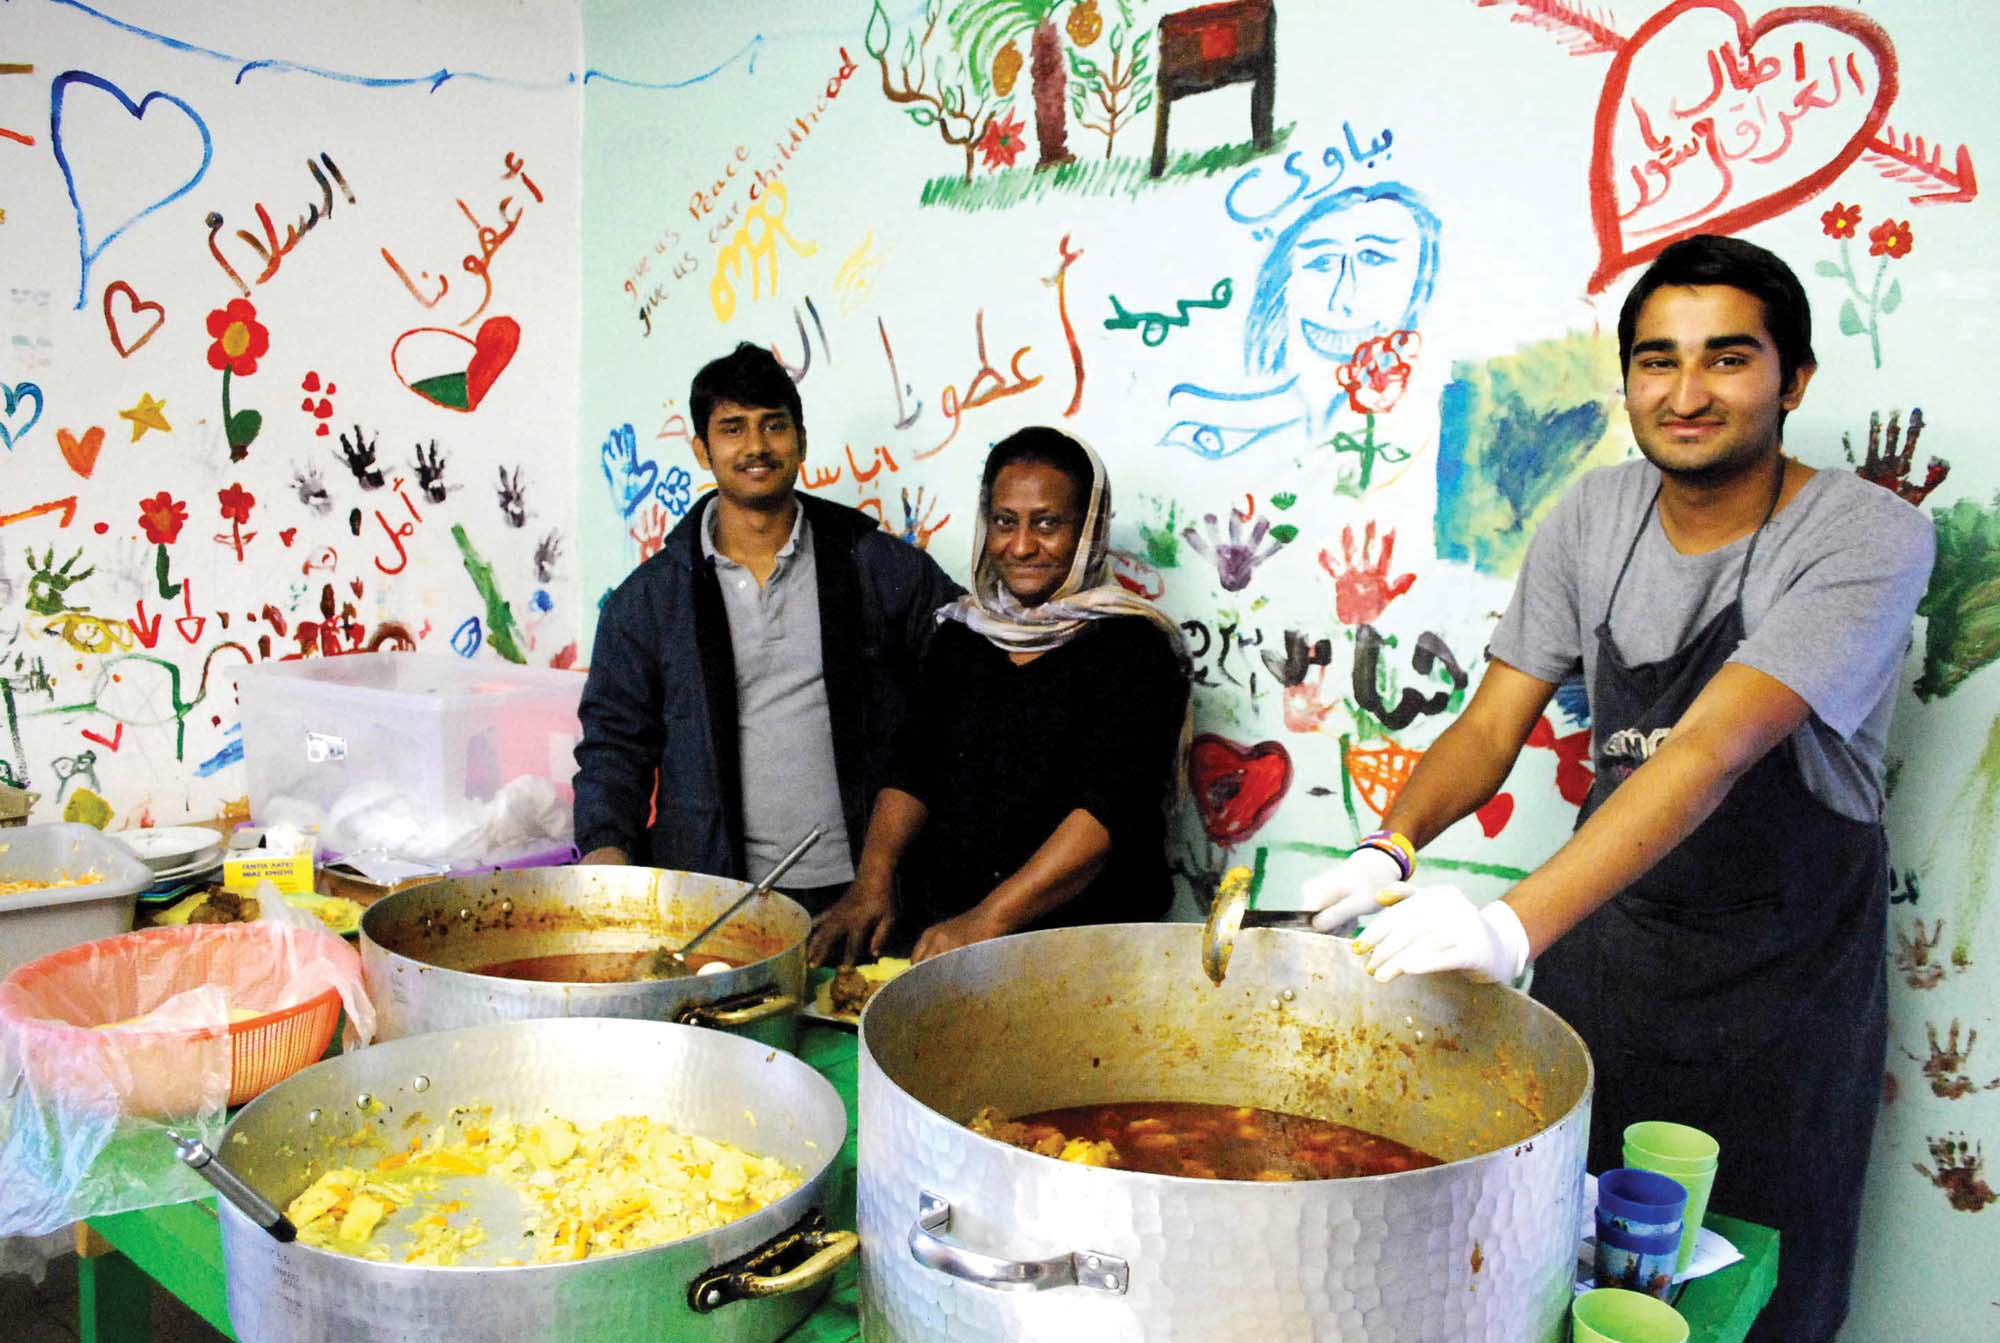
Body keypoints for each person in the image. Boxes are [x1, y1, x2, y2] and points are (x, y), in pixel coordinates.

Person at [1298, 234, 1934, 1342]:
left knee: (1749, 1292)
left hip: (1779, 994)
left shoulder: (1865, 534)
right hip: (1609, 958)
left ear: (1794, 379)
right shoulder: (1591, 516)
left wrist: (1503, 928)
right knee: (1560, 1274)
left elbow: (1704, 753)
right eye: (1656, 360)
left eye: (1726, 359)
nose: (1684, 393)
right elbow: (1492, 719)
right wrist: (1387, 845)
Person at [572, 343, 960, 910]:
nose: (756, 446)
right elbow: (613, 744)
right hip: (709, 891)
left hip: (866, 892)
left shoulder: (876, 565)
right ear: (703, 450)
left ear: (800, 439)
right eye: (733, 428)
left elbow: (964, 682)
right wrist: (607, 853)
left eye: (773, 426)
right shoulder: (650, 599)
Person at [808, 427, 1190, 966]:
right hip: (952, 937)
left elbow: (1106, 813)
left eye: (1048, 524)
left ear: (1089, 530)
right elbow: (914, 768)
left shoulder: (1135, 648)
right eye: (1005, 522)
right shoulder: (963, 636)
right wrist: (873, 882)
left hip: (1084, 952)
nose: (1022, 545)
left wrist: (989, 919)